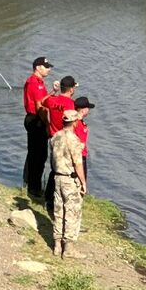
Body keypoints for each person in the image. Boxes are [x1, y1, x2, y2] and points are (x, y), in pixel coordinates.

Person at [50, 110, 88, 259]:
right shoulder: (74, 140)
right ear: (74, 122)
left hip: (57, 177)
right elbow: (78, 164)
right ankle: (69, 248)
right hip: (69, 179)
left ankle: (57, 244)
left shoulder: (55, 137)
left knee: (58, 210)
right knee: (72, 212)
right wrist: (83, 182)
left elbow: (52, 159)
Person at [43, 76, 78, 211]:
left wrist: (53, 91)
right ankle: (58, 199)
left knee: (54, 168)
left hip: (53, 138)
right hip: (65, 139)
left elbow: (42, 101)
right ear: (71, 89)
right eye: (74, 87)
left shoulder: (53, 100)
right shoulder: (71, 105)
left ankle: (48, 198)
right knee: (65, 171)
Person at [24, 57, 54, 199]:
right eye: (46, 66)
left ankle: (29, 182)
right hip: (36, 120)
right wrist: (48, 126)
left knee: (35, 153)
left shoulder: (39, 82)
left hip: (35, 119)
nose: (49, 69)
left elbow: (43, 100)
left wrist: (53, 92)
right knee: (39, 155)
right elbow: (39, 106)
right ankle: (34, 188)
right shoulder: (35, 83)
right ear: (38, 67)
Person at [73, 96, 96, 182]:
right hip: (79, 155)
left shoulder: (76, 121)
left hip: (78, 154)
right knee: (80, 179)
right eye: (88, 108)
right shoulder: (78, 123)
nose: (89, 110)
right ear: (83, 110)